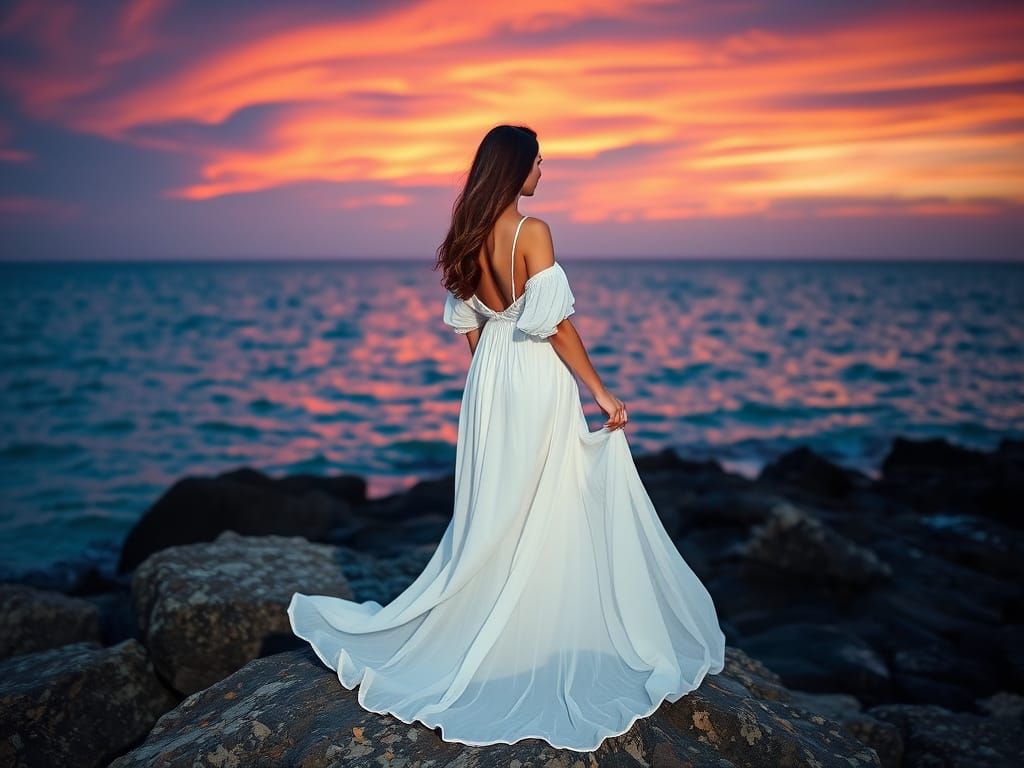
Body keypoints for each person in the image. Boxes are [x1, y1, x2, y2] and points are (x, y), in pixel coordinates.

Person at [287, 124, 727, 752]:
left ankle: (494, 617)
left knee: (498, 503)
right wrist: (599, 390)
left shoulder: (466, 235)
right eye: (537, 161)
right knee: (546, 494)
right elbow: (557, 326)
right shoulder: (532, 231)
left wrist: (491, 387)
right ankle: (531, 628)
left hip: (490, 377)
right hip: (532, 372)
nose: (543, 170)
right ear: (515, 168)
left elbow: (471, 326)